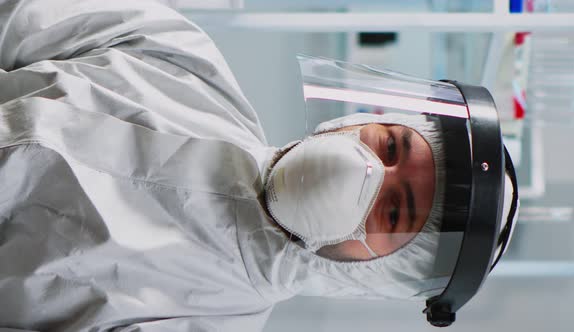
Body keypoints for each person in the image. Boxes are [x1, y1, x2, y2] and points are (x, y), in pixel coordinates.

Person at [0, 1, 518, 331]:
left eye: (393, 211)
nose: (364, 172)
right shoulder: (181, 58)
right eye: (389, 147)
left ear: (379, 269)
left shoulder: (203, 321)